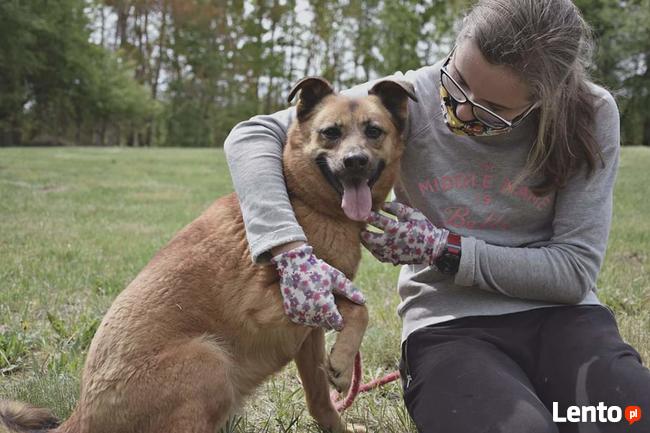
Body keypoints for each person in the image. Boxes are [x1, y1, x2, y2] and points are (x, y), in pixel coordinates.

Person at [223, 0, 650, 431]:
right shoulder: (412, 97)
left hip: (566, 322)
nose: (459, 111)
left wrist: (443, 249)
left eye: (491, 111)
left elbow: (573, 270)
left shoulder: (591, 114)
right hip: (450, 328)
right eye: (457, 81)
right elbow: (252, 134)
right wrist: (288, 249)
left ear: (546, 99)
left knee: (630, 418)